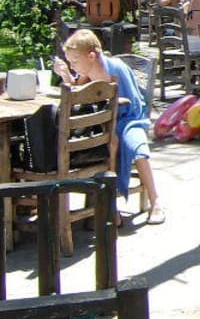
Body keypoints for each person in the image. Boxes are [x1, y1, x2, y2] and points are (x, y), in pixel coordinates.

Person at [52, 30, 165, 225]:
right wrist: (65, 75)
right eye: (70, 62)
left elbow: (131, 102)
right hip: (105, 121)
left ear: (91, 56)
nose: (73, 66)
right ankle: (110, 206)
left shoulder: (113, 69)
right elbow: (77, 90)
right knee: (99, 144)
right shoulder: (87, 71)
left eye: (75, 61)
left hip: (129, 118)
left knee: (135, 147)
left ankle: (155, 200)